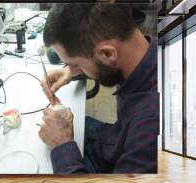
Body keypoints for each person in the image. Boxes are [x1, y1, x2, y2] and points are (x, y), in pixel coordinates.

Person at [38, 3, 159, 174]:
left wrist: (62, 145)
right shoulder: (143, 49)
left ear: (107, 54)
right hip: (114, 138)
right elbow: (106, 66)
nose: (71, 69)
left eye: (75, 64)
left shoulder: (150, 126)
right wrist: (70, 72)